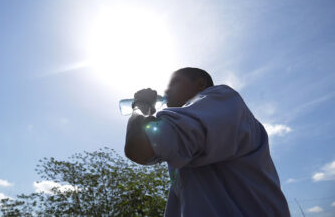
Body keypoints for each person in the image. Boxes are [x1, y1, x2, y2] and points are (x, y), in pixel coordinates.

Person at [124, 67, 290, 217]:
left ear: (201, 84)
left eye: (174, 82)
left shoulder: (222, 98)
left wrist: (141, 105)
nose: (166, 90)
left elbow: (139, 147)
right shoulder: (189, 137)